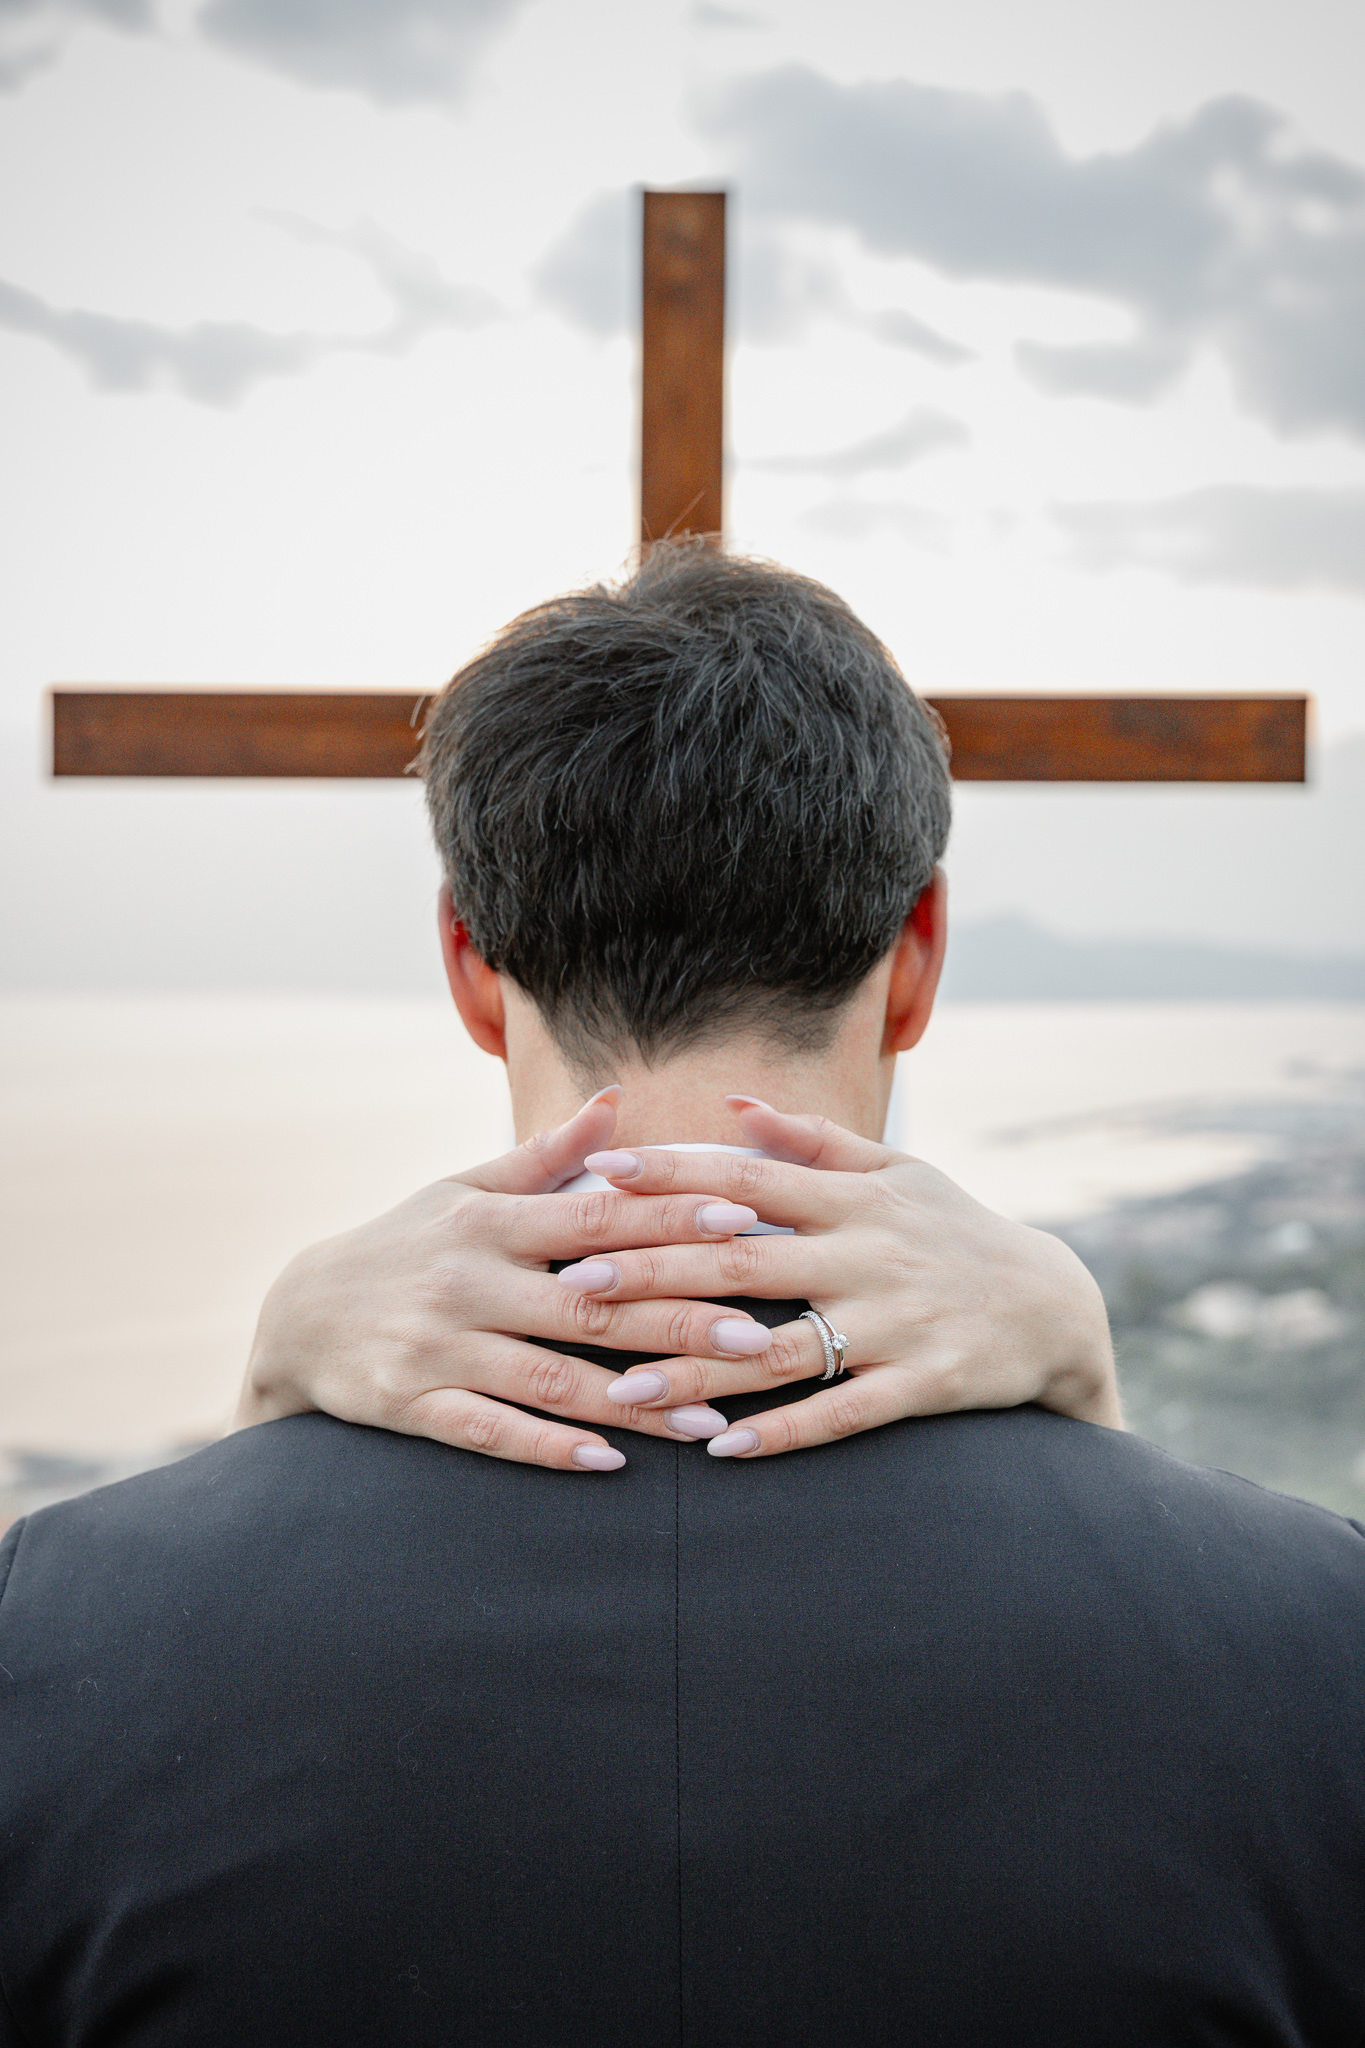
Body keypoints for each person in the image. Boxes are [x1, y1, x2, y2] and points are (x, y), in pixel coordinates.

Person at [2, 545, 1362, 2046]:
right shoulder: (1311, 1638)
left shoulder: (57, 1633)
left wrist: (262, 1422)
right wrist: (1093, 1420)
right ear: (916, 954)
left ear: (466, 957)